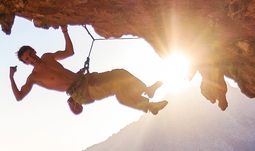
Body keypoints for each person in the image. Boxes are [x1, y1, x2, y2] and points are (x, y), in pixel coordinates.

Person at [9, 25, 168, 115]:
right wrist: (11, 77)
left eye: (30, 54)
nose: (31, 58)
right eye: (27, 59)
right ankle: (149, 106)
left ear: (34, 50)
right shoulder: (34, 77)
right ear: (25, 63)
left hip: (86, 79)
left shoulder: (48, 57)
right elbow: (19, 96)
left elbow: (69, 52)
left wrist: (65, 31)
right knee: (116, 86)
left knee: (120, 73)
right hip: (80, 92)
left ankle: (146, 89)